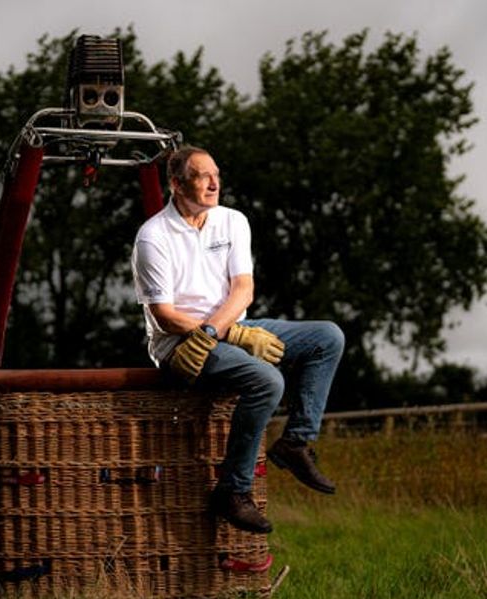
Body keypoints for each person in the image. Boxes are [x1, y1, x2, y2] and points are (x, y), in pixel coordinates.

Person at [131, 145, 345, 534]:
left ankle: (295, 443)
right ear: (177, 185)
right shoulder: (153, 237)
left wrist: (231, 332)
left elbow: (243, 290)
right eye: (201, 176)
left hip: (228, 330)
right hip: (180, 343)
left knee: (327, 337)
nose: (214, 182)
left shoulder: (232, 221)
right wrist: (223, 334)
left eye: (216, 174)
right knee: (268, 380)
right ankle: (232, 491)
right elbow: (163, 314)